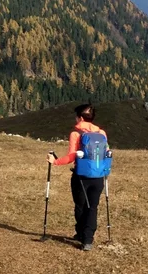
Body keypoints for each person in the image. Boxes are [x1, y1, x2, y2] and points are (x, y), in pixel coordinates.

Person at [47, 103, 111, 251]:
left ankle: (82, 234)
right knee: (92, 207)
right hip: (98, 176)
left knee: (80, 206)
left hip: (81, 176)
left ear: (80, 117)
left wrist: (54, 161)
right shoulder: (102, 133)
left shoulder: (76, 133)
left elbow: (71, 156)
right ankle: (88, 238)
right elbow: (106, 152)